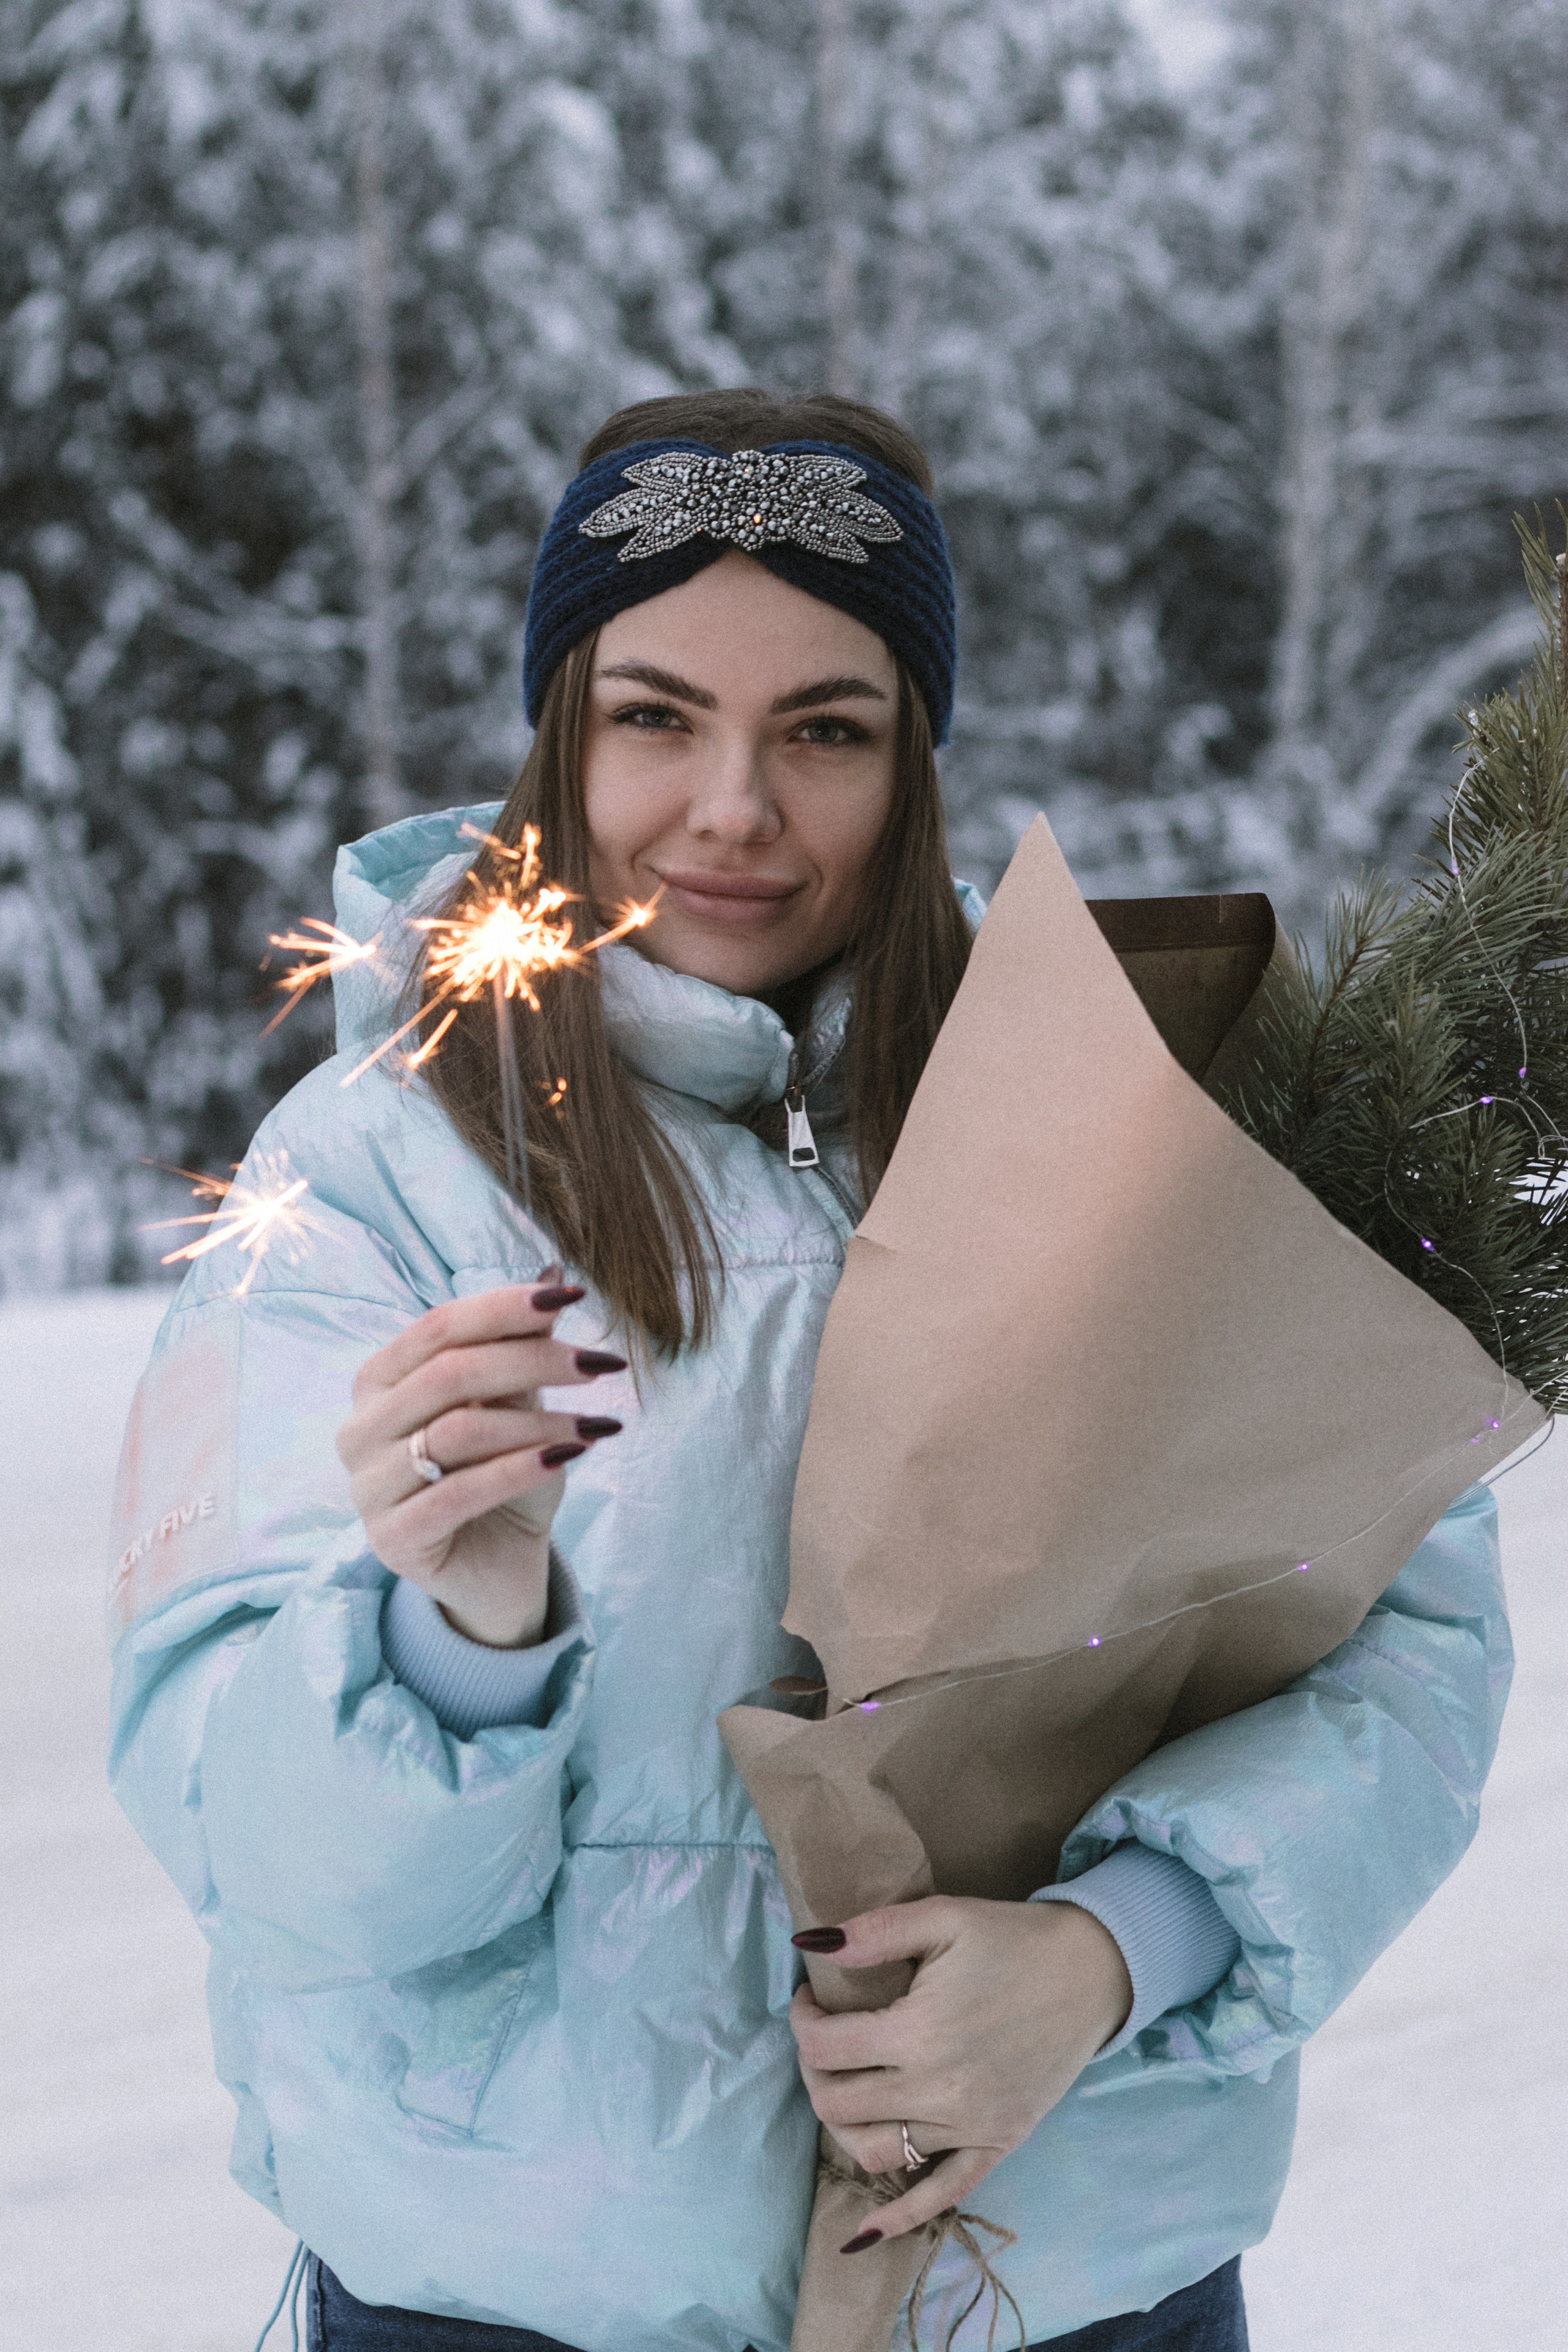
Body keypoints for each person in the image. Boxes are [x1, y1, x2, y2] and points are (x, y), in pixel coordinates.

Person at [108, 389, 1510, 2352]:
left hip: (1063, 2295)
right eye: (655, 717)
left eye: (826, 730)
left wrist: (1118, 1950)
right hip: (503, 2314)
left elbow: (1402, 1649)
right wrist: (455, 1641)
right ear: (562, 737)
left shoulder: (1128, 1120)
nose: (733, 807)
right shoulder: (369, 1179)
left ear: (914, 757)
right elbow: (270, 1872)